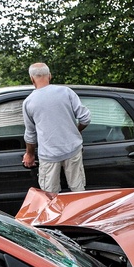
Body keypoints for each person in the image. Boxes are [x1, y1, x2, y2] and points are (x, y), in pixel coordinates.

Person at [22, 63, 91, 195]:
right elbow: (85, 118)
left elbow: (30, 134)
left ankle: (55, 216)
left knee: (49, 196)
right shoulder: (66, 92)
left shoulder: (29, 102)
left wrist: (29, 154)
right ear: (50, 76)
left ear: (31, 78)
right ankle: (78, 214)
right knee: (78, 192)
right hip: (73, 150)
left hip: (48, 155)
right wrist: (76, 131)